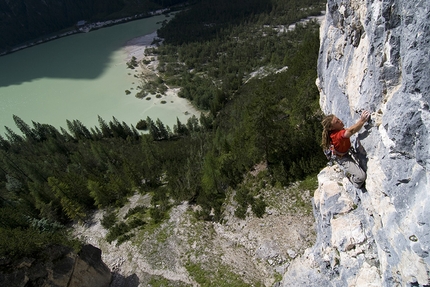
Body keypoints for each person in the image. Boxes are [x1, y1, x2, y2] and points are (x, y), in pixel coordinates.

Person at [321, 110, 370, 188]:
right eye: (337, 122)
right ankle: (352, 180)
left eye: (338, 119)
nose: (340, 121)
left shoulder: (338, 129)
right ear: (332, 128)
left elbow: (349, 130)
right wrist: (362, 120)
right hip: (342, 158)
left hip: (344, 151)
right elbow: (351, 130)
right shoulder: (336, 136)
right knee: (361, 177)